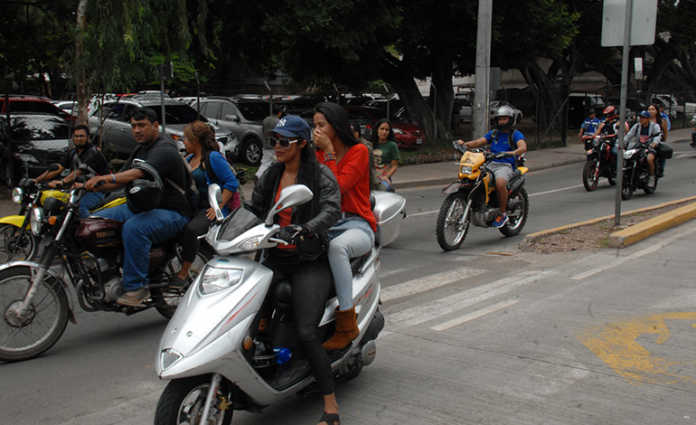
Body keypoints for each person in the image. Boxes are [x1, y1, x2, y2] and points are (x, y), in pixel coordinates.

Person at [249, 114, 342, 425]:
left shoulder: (320, 176)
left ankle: (330, 405)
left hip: (307, 261)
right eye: (273, 140)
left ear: (302, 144)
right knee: (246, 318)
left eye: (283, 141)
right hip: (274, 258)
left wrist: (306, 229)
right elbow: (255, 208)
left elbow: (332, 208)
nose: (276, 147)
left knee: (306, 330)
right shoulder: (272, 174)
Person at [83, 107, 193, 307]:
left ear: (155, 126)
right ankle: (108, 267)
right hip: (141, 206)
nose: (136, 130)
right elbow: (120, 180)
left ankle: (137, 287)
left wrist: (105, 177)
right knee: (95, 221)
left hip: (172, 212)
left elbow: (137, 174)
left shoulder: (164, 148)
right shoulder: (140, 149)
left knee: (134, 228)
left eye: (142, 125)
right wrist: (88, 186)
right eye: (133, 126)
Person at [313, 102, 376, 351]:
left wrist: (328, 153)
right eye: (314, 125)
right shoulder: (316, 153)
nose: (316, 130)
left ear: (335, 126)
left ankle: (347, 322)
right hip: (324, 223)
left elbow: (335, 190)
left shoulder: (358, 151)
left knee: (337, 248)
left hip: (356, 224)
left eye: (321, 125)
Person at [170, 121, 239, 287]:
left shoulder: (213, 157)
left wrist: (218, 207)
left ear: (195, 141)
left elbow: (231, 182)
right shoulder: (188, 158)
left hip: (211, 207)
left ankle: (183, 272)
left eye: (185, 139)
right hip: (194, 206)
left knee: (192, 230)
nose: (183, 142)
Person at [456, 105, 527, 228]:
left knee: (500, 183)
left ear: (511, 120)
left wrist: (512, 153)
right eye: (500, 119)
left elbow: (522, 147)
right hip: (489, 163)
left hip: (505, 165)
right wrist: (465, 144)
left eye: (504, 119)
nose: (501, 122)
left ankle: (503, 213)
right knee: (474, 179)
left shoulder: (515, 134)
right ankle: (481, 203)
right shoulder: (494, 133)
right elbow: (479, 141)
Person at [41, 125, 111, 217]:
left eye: (81, 136)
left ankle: (86, 228)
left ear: (88, 138)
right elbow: (58, 168)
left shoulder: (93, 152)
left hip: (97, 190)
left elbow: (80, 171)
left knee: (79, 206)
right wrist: (38, 180)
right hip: (78, 190)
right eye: (76, 136)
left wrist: (62, 182)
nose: (78, 139)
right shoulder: (72, 152)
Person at [624, 110, 663, 188]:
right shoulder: (637, 126)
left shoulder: (655, 126)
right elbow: (628, 136)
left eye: (643, 118)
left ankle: (651, 176)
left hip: (649, 147)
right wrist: (622, 144)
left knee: (649, 159)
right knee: (627, 156)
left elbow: (658, 136)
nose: (641, 119)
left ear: (648, 119)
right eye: (640, 117)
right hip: (639, 146)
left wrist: (654, 143)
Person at [257, 104, 287, 179]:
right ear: (279, 113)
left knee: (265, 162)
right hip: (275, 145)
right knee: (278, 163)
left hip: (266, 144)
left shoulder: (265, 119)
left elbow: (263, 131)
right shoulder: (279, 122)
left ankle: (259, 175)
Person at [371, 119, 400, 192]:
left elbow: (394, 165)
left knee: (387, 192)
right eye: (382, 129)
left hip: (383, 178)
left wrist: (386, 176)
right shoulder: (370, 144)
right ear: (377, 130)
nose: (384, 132)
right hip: (370, 178)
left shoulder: (392, 145)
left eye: (387, 130)